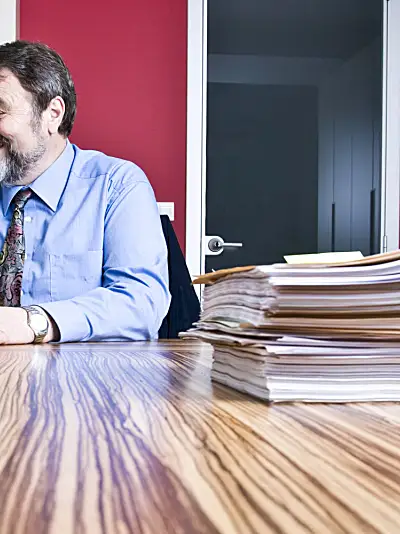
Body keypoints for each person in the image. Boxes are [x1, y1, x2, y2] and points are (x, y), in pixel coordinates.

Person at [0, 40, 170, 344]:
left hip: (87, 383)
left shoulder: (117, 185)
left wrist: (33, 322)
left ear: (53, 113)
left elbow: (142, 303)